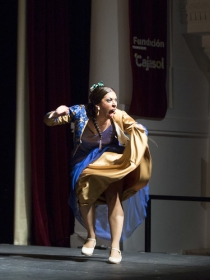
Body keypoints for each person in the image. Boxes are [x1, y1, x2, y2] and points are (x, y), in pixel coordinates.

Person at [44, 82, 152, 264]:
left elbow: (135, 126)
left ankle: (116, 247)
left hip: (110, 160)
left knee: (114, 196)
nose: (114, 104)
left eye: (115, 100)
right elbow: (49, 121)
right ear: (97, 104)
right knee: (85, 194)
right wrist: (55, 113)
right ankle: (91, 236)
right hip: (84, 161)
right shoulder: (80, 112)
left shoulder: (118, 116)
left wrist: (139, 130)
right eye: (109, 100)